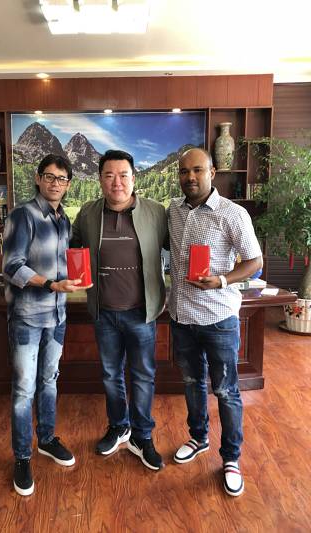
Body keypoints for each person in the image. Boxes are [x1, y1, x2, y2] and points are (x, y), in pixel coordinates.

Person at [168, 147, 263, 497]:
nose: (190, 177)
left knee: (225, 391)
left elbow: (254, 261)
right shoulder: (173, 211)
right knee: (192, 383)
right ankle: (199, 438)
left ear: (212, 172)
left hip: (219, 320)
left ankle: (231, 458)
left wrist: (222, 280)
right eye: (184, 172)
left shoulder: (233, 214)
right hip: (181, 318)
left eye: (197, 170)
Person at [71, 149, 168, 471]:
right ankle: (118, 426)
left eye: (123, 175)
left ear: (133, 178)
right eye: (109, 175)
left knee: (143, 376)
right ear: (100, 180)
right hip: (105, 313)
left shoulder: (156, 212)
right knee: (111, 375)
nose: (117, 182)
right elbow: (70, 246)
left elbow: (180, 246)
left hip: (141, 312)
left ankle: (142, 436)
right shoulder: (88, 213)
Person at [3, 154, 84, 496]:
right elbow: (12, 266)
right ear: (38, 179)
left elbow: (67, 263)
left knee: (50, 380)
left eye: (61, 178)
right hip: (27, 317)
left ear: (68, 184)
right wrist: (51, 284)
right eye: (49, 176)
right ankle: (22, 457)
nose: (55, 183)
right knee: (24, 389)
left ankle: (47, 439)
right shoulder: (23, 215)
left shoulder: (63, 219)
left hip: (57, 317)